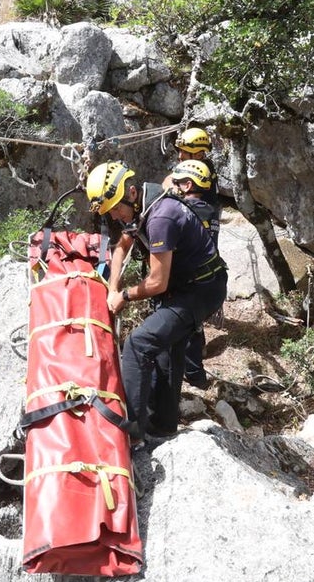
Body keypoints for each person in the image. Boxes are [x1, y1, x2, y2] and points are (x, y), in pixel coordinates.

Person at [87, 161, 229, 445]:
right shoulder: (140, 208)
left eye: (116, 208)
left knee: (139, 344)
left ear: (130, 192)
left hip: (201, 289)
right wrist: (112, 287)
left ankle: (131, 433)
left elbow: (157, 283)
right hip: (187, 286)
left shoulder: (160, 217)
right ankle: (163, 425)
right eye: (110, 211)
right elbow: (121, 248)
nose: (115, 216)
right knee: (168, 347)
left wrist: (124, 296)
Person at [168, 160, 225, 389]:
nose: (175, 185)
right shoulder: (210, 210)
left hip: (189, 278)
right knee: (195, 328)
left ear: (187, 184)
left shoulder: (185, 210)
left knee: (185, 331)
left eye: (178, 182)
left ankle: (191, 376)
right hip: (208, 278)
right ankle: (196, 376)